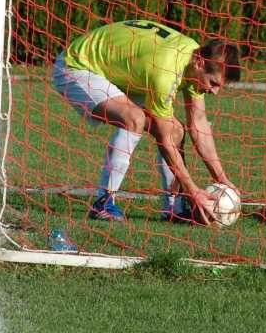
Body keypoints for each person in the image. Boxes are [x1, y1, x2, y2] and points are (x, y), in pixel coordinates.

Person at [52, 19, 241, 224]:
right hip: (77, 66)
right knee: (134, 118)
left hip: (119, 72)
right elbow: (164, 141)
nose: (215, 91)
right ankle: (103, 203)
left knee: (176, 130)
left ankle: (173, 209)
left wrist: (222, 179)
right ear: (200, 63)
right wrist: (193, 190)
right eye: (213, 83)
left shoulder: (194, 59)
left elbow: (199, 123)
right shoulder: (167, 72)